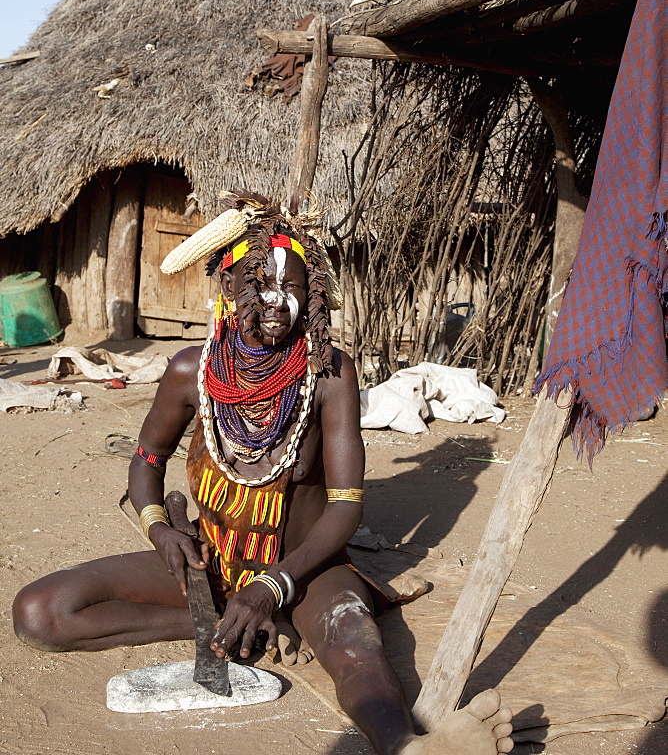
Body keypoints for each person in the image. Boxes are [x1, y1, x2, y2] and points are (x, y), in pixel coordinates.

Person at [13, 191, 514, 755]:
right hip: (213, 561)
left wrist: (274, 586)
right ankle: (233, 624)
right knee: (40, 613)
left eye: (292, 286)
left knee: (354, 643)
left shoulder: (328, 374)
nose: (276, 301)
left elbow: (347, 504)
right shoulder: (189, 371)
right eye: (259, 284)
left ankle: (407, 747)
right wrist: (159, 527)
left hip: (303, 568)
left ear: (313, 293)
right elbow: (147, 460)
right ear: (229, 288)